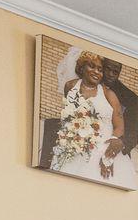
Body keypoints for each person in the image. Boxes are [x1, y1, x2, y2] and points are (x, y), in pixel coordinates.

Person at [49, 50, 130, 182]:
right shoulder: (70, 86)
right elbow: (68, 117)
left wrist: (109, 155)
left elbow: (119, 126)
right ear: (82, 67)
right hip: (74, 146)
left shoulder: (109, 94)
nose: (96, 72)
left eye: (100, 69)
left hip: (103, 149)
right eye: (92, 66)